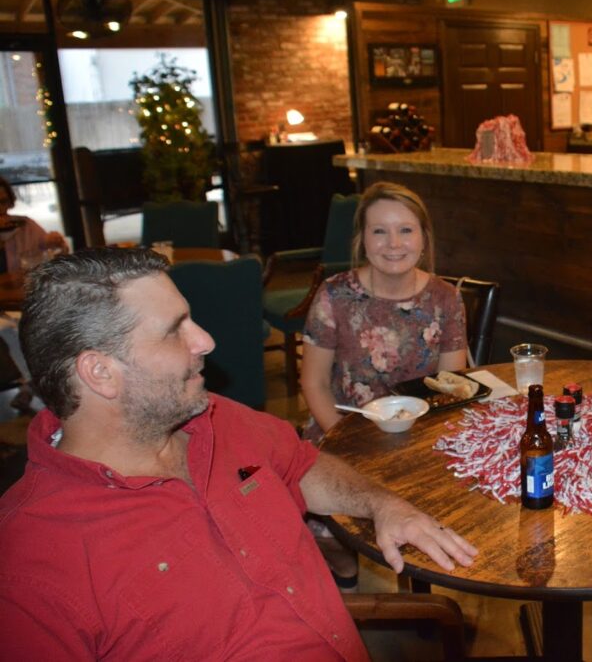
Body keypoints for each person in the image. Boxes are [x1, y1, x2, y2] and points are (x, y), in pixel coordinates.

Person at [0, 247, 477, 659]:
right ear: (99, 372)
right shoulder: (31, 562)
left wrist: (381, 504)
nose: (205, 341)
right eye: (174, 330)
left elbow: (302, 465)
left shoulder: (215, 416)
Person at [300, 181, 468, 589]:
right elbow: (315, 383)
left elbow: (451, 387)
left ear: (424, 239)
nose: (393, 243)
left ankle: (423, 585)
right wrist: (345, 440)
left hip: (422, 438)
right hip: (341, 429)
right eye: (379, 231)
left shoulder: (445, 298)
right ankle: (342, 557)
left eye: (406, 230)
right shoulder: (335, 295)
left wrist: (415, 448)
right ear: (362, 239)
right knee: (325, 530)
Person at [0, 176, 68, 413]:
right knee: (9, 329)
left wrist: (56, 244)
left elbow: (54, 256)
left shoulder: (24, 226)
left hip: (20, 301)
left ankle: (33, 386)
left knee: (37, 322)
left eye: (4, 202)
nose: (2, 210)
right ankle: (35, 386)